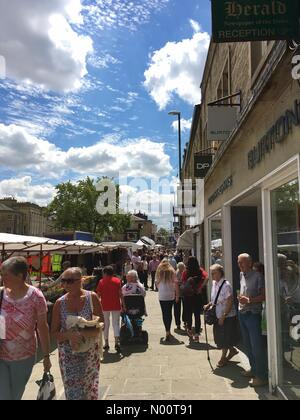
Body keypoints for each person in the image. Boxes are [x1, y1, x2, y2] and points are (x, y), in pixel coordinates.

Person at [0, 257, 51, 400]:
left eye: (6, 274)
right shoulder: (0, 294)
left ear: (20, 276)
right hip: (0, 355)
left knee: (15, 396)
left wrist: (46, 355)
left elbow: (42, 326)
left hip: (23, 356)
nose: (2, 277)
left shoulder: (35, 296)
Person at [51, 267, 103, 400]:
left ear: (81, 281)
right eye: (64, 281)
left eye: (70, 281)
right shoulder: (59, 303)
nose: (66, 284)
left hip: (90, 353)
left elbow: (101, 323)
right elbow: (54, 332)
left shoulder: (91, 297)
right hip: (68, 355)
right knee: (73, 392)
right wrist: (69, 335)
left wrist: (84, 332)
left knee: (89, 389)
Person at [237, 253, 268, 387]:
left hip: (253, 314)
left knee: (256, 346)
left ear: (250, 263)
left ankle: (261, 376)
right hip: (242, 312)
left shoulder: (258, 276)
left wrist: (249, 300)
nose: (240, 265)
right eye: (238, 262)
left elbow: (264, 296)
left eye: (242, 262)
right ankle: (253, 369)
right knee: (248, 345)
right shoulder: (241, 275)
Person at [205, 264, 239, 368]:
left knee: (224, 337)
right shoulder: (215, 283)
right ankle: (232, 350)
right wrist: (209, 304)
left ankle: (223, 357)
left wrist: (224, 316)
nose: (212, 275)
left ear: (220, 273)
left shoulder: (226, 285)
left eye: (214, 273)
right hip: (217, 314)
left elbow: (230, 301)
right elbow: (216, 298)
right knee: (219, 336)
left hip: (226, 316)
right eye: (211, 273)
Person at [96, 266, 124, 352]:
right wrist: (123, 305)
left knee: (106, 324)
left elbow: (98, 295)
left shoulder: (101, 281)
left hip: (104, 306)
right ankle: (116, 342)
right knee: (115, 323)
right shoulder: (117, 281)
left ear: (105, 273)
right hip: (116, 305)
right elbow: (120, 294)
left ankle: (106, 343)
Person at [181, 257, 207, 343]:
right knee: (197, 314)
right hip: (197, 295)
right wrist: (200, 287)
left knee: (188, 313)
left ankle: (189, 329)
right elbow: (207, 278)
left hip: (188, 296)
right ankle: (196, 334)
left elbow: (183, 282)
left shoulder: (185, 272)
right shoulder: (200, 271)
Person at [155, 260, 179, 341]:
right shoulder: (172, 271)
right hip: (170, 294)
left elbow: (156, 282)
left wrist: (160, 288)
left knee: (164, 313)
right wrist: (177, 295)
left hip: (162, 295)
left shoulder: (159, 271)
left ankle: (167, 331)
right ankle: (169, 331)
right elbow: (176, 284)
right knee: (169, 312)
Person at [174, 262, 186, 330]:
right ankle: (178, 323)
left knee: (185, 308)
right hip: (177, 293)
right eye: (180, 267)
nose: (182, 269)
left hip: (184, 293)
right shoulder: (175, 273)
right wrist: (180, 282)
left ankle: (185, 320)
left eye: (183, 267)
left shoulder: (185, 272)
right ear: (178, 267)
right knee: (177, 309)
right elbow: (174, 282)